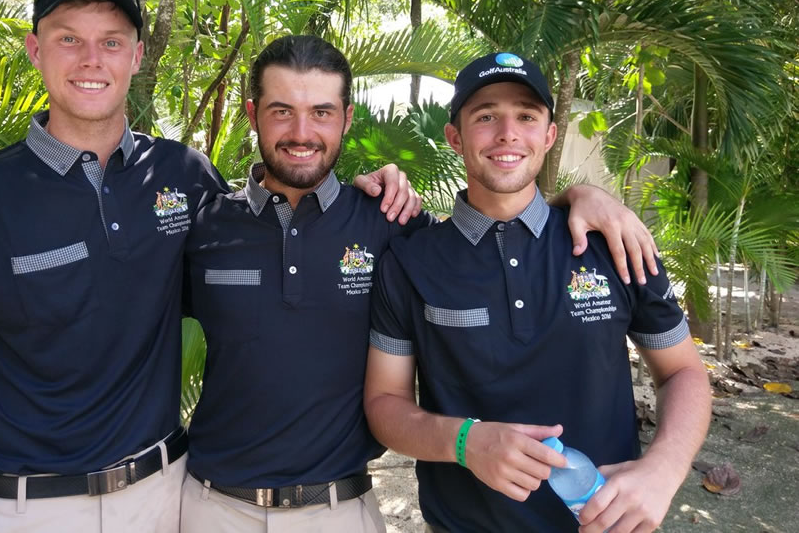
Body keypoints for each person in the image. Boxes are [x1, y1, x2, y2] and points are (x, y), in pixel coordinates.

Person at [0, 0, 418, 533]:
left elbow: (276, 212)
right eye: (69, 38)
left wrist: (375, 188)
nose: (92, 60)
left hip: (166, 496)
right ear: (36, 50)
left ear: (136, 56)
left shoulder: (182, 176)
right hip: (32, 508)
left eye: (112, 42)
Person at [179, 38, 665, 533]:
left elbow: (504, 215)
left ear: (346, 119)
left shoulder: (390, 224)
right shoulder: (204, 227)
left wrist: (583, 197)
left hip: (338, 509)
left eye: (321, 112)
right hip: (212, 506)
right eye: (282, 111)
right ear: (253, 114)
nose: (302, 132)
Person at [364, 52, 711, 533]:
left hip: (603, 523)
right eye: (486, 116)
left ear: (549, 135)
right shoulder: (409, 261)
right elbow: (385, 403)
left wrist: (665, 468)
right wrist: (465, 442)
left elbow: (682, 372)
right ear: (455, 137)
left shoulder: (614, 245)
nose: (508, 133)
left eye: (526, 116)